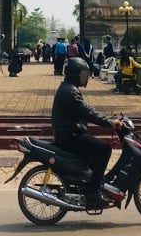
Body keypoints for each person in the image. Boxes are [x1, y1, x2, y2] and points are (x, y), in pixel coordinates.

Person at [52, 57, 123, 210]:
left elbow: (86, 111)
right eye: (83, 74)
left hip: (69, 134)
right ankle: (93, 192)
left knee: (93, 148)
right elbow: (88, 112)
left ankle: (89, 183)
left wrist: (108, 120)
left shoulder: (67, 88)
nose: (86, 77)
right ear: (75, 74)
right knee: (104, 149)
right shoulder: (70, 92)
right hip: (70, 137)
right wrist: (109, 122)